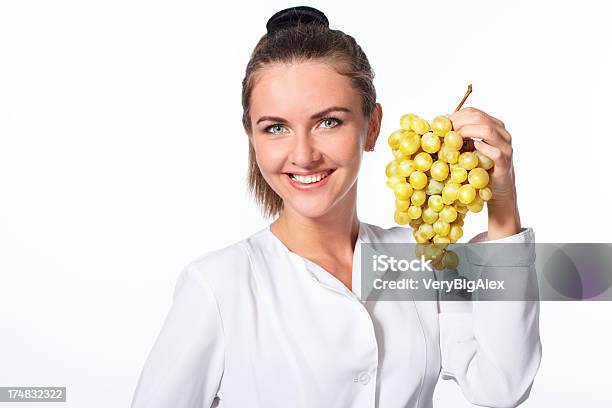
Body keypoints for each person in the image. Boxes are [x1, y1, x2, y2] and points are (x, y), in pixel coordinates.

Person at [131, 6, 541, 408]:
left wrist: (502, 203)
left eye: (328, 122)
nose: (304, 155)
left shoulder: (417, 259)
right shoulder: (218, 285)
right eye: (275, 128)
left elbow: (502, 386)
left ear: (372, 126)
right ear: (251, 138)